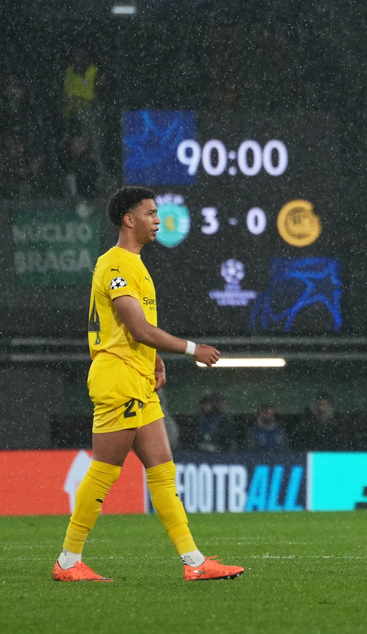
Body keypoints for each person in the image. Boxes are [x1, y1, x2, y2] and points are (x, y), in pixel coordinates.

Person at [52, 186, 242, 582]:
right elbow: (137, 327)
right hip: (117, 378)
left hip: (137, 376)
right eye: (151, 213)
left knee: (162, 469)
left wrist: (153, 358)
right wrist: (193, 349)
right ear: (129, 219)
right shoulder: (118, 265)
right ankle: (68, 562)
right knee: (105, 470)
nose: (159, 220)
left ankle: (194, 562)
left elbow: (132, 329)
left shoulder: (134, 264)